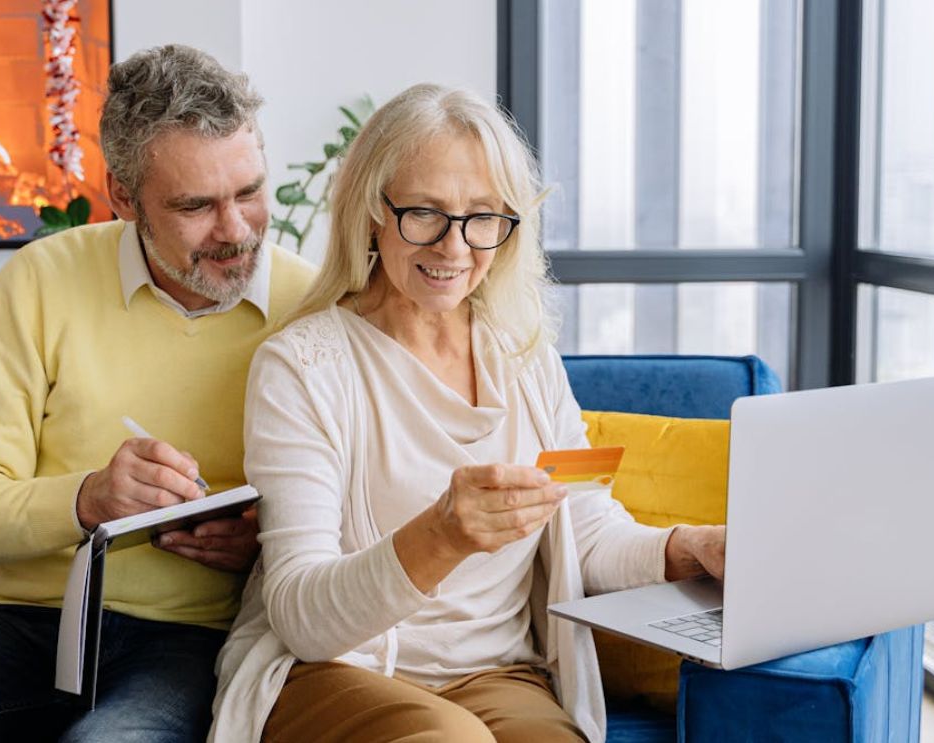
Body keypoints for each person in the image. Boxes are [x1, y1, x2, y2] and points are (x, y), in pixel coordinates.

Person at [0, 45, 315, 742]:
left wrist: (259, 545)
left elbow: (351, 526)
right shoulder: (42, 279)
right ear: (124, 197)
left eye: (248, 191)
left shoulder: (313, 304)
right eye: (195, 205)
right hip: (23, 622)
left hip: (196, 639)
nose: (236, 230)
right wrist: (88, 497)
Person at [210, 84, 726, 743]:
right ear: (372, 209)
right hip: (334, 669)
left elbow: (587, 530)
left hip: (497, 672)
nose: (454, 247)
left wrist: (692, 546)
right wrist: (442, 534)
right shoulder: (302, 365)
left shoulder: (523, 354)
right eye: (424, 212)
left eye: (482, 216)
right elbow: (302, 615)